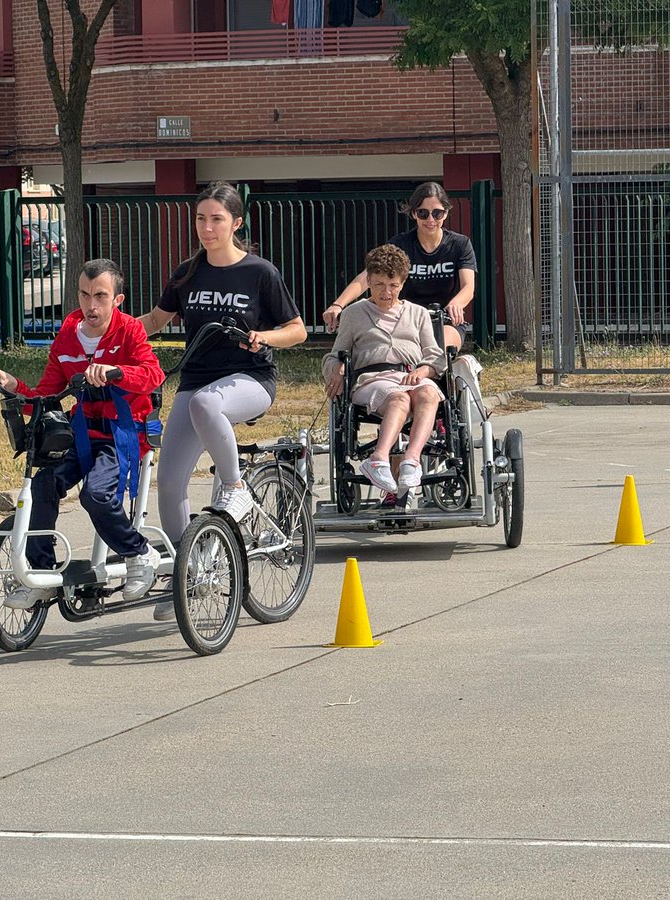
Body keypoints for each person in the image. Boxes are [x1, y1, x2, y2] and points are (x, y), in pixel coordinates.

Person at [136, 182, 307, 620]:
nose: (207, 228)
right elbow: (155, 320)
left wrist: (264, 337)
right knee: (169, 483)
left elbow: (297, 330)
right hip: (197, 380)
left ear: (237, 223)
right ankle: (190, 574)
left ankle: (235, 488)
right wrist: (102, 332)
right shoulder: (187, 273)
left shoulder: (259, 272)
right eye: (201, 219)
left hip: (251, 378)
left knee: (206, 405)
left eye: (216, 219)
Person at [0, 258, 165, 609]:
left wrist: (116, 372)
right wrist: (12, 385)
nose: (91, 305)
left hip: (124, 435)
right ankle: (40, 572)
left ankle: (139, 553)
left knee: (95, 494)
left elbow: (153, 375)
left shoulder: (129, 331)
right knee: (41, 486)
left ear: (117, 300)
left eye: (100, 296)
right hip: (82, 434)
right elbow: (46, 397)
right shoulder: (68, 336)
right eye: (84, 295)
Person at [323, 244, 446, 494]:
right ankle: (378, 459)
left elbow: (436, 357)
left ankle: (412, 460)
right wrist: (335, 368)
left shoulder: (418, 314)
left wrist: (423, 371)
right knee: (399, 398)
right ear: (368, 281)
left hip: (411, 375)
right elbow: (334, 355)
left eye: (393, 285)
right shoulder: (353, 314)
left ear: (402, 283)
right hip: (372, 378)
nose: (386, 292)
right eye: (379, 284)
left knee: (429, 393)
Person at [323, 181, 477, 350]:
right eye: (423, 213)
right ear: (414, 213)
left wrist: (456, 304)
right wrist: (338, 305)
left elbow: (468, 287)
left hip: (444, 320)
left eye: (437, 213)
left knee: (439, 349)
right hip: (405, 319)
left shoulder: (460, 244)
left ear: (446, 213)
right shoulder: (401, 243)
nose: (430, 219)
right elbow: (368, 276)